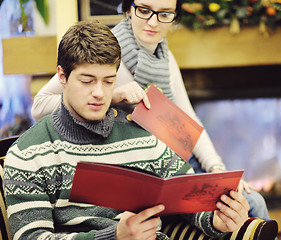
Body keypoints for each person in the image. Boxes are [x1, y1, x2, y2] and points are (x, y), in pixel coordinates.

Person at [3, 21, 251, 240]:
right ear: (62, 77)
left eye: (109, 81)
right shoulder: (28, 154)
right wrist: (114, 236)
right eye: (87, 81)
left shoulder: (141, 134)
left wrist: (215, 219)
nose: (100, 93)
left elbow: (187, 192)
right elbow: (31, 237)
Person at [30, 0, 271, 221]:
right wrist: (112, 96)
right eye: (144, 10)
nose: (153, 22)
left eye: (165, 14)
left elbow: (187, 120)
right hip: (146, 172)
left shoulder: (165, 57)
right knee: (251, 205)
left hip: (177, 160)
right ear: (128, 8)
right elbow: (39, 105)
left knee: (251, 202)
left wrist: (218, 171)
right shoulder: (105, 54)